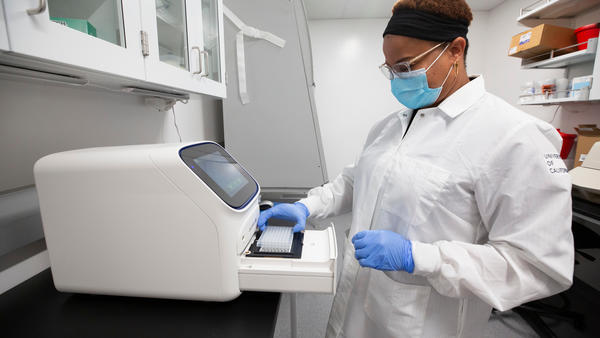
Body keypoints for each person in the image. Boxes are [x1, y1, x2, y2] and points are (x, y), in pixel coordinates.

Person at [257, 0, 574, 337]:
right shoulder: (390, 126)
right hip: (355, 308)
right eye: (390, 69)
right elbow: (354, 180)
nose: (396, 79)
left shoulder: (513, 137)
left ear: (455, 50)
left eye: (406, 66)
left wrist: (419, 257)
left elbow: (538, 265)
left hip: (424, 325)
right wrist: (306, 207)